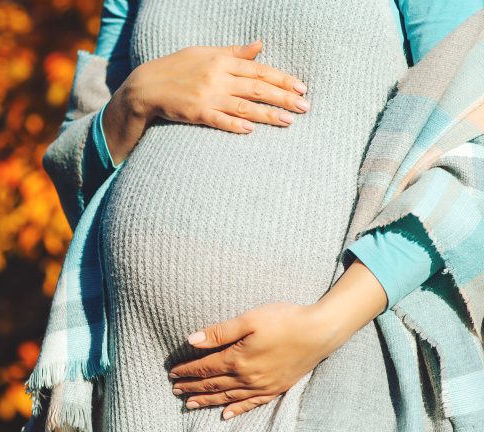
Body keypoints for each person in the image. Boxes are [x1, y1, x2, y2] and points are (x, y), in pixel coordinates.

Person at [41, 0, 484, 430]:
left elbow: (471, 150)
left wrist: (324, 326)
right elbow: (76, 167)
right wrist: (134, 100)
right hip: (136, 370)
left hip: (330, 361)